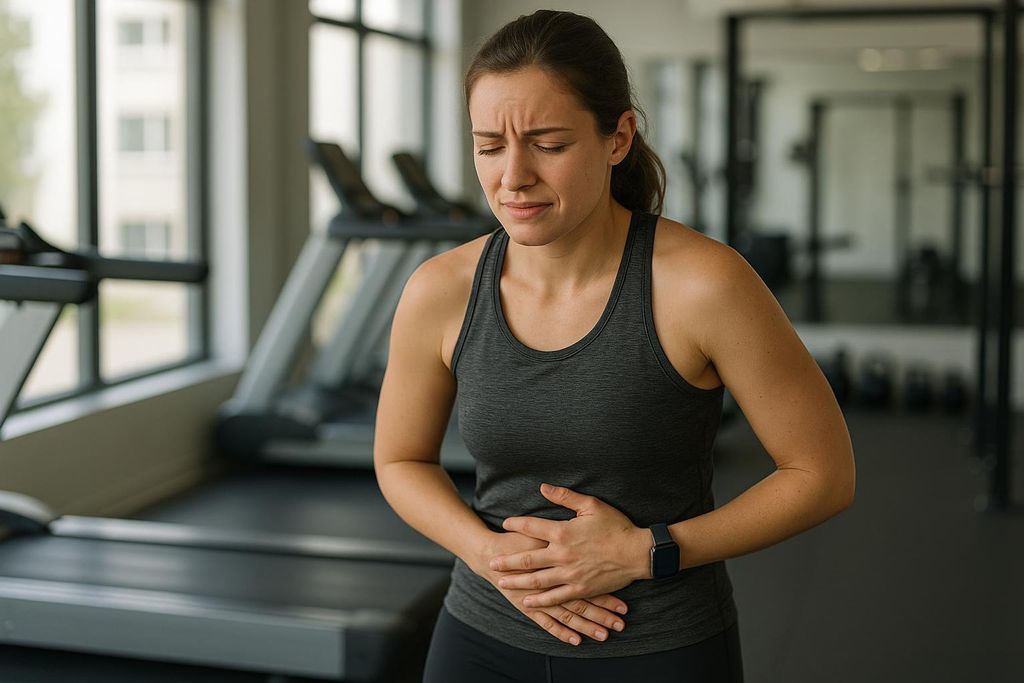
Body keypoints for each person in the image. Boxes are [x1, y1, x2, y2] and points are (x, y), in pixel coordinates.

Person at [373, 9, 855, 682]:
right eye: (489, 145)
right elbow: (399, 458)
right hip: (481, 632)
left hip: (657, 647)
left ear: (618, 137)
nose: (513, 177)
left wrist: (647, 550)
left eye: (547, 143)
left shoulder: (703, 284)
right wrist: (487, 555)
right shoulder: (441, 289)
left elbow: (822, 473)